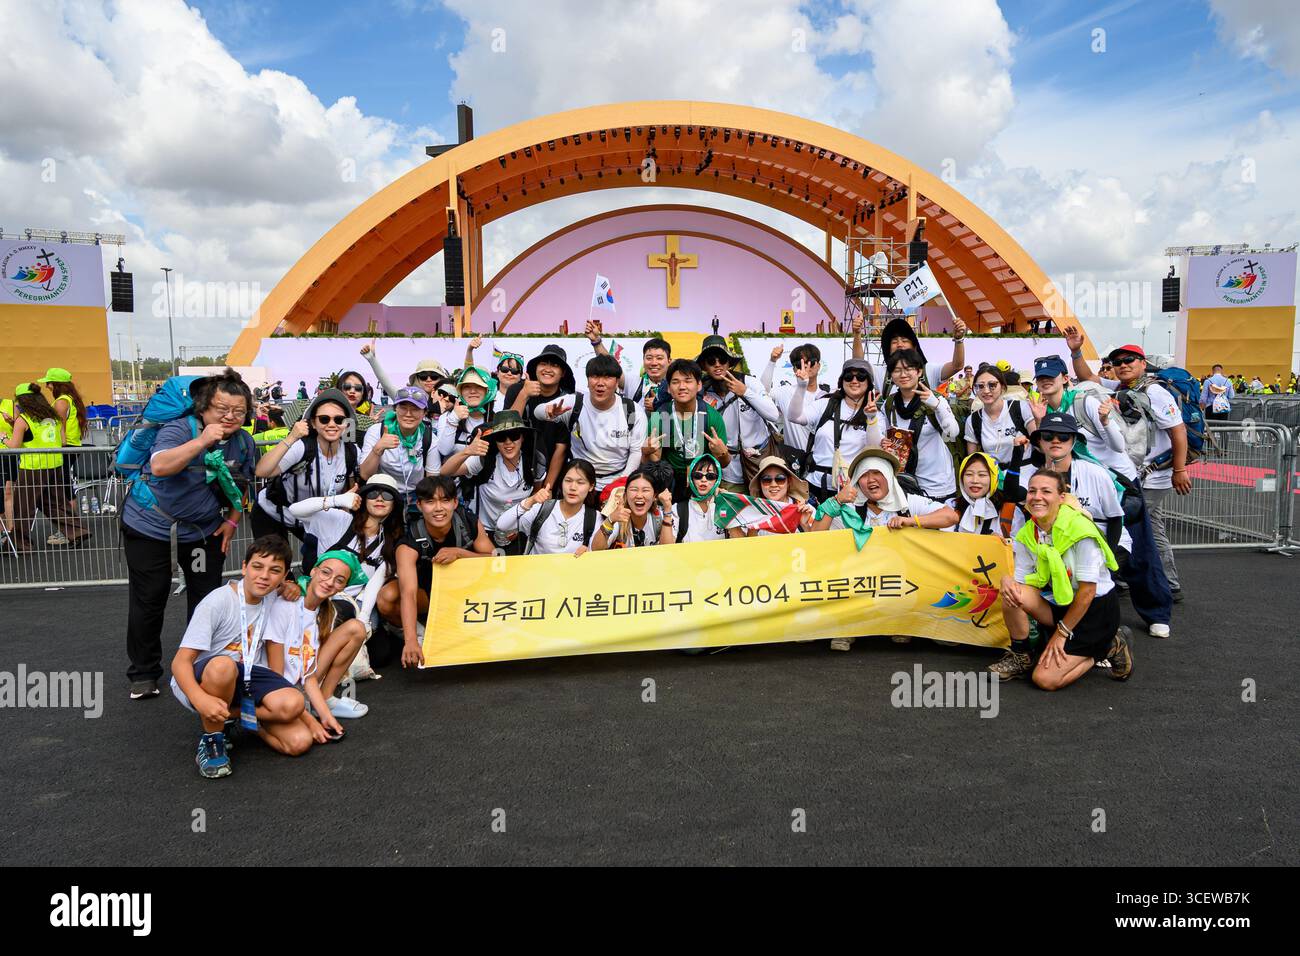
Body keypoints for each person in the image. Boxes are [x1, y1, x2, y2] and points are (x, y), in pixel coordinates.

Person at [122, 370, 258, 701]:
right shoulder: (179, 428)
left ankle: (200, 667)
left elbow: (242, 485)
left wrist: (233, 522)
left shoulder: (243, 443)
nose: (229, 417)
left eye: (238, 411)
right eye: (221, 409)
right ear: (202, 409)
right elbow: (159, 466)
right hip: (149, 526)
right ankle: (144, 672)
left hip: (203, 532)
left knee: (205, 600)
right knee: (150, 597)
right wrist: (201, 441)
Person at [1064, 334, 1191, 602]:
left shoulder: (1155, 391)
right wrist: (1076, 352)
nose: (1122, 365)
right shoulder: (1122, 387)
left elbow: (1178, 430)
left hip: (1155, 474)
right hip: (1136, 473)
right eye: (1117, 362)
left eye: (1128, 360)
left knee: (1140, 527)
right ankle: (1151, 579)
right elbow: (1089, 377)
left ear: (1143, 362)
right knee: (1142, 526)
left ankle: (1155, 581)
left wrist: (1179, 469)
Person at [1024, 413, 1173, 639]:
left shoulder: (1094, 473)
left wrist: (1108, 556)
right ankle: (1064, 636)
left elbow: (1115, 518)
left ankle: (1109, 640)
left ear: (1074, 441)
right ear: (1039, 442)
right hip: (1062, 545)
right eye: (1048, 435)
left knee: (1093, 584)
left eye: (1063, 436)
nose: (1055, 440)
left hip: (1105, 538)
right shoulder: (1033, 477)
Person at [169, 536, 306, 777]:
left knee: (298, 733)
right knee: (223, 666)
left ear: (284, 577)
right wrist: (199, 699)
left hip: (248, 678)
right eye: (257, 567)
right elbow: (180, 662)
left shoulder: (273, 595)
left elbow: (293, 587)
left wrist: (291, 587)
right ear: (244, 567)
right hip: (209, 676)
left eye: (275, 571)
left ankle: (241, 719)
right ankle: (212, 740)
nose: (264, 576)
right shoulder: (217, 602)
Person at [993, 470, 1134, 688]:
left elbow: (1087, 592)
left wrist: (1061, 634)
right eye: (1032, 491)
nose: (1037, 496)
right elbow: (1021, 583)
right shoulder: (1028, 532)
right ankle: (1021, 655)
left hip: (1094, 610)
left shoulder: (1080, 530)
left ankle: (1108, 646)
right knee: (1013, 593)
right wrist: (1006, 580)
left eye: (1046, 491)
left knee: (1044, 680)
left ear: (1061, 498)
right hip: (1060, 601)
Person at [812, 448, 957, 650]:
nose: (871, 480)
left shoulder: (908, 502)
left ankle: (903, 623)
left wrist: (911, 521)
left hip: (901, 579)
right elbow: (814, 537)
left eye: (877, 473)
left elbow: (950, 516)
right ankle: (846, 627)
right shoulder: (850, 507)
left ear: (888, 475)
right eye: (864, 475)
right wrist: (835, 502)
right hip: (860, 578)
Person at [377, 476, 493, 669]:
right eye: (430, 502)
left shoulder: (468, 522)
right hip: (430, 597)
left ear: (455, 502)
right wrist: (411, 640)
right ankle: (421, 634)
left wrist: (460, 553)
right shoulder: (409, 541)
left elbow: (496, 561)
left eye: (445, 500)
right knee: (387, 597)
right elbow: (409, 594)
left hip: (467, 593)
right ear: (420, 505)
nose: (438, 508)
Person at [252, 387, 359, 566]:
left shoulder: (351, 451)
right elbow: (262, 471)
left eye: (338, 419)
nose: (331, 424)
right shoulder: (302, 447)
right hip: (273, 511)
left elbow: (355, 482)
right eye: (324, 419)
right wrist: (291, 438)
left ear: (346, 424)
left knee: (324, 562)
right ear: (313, 423)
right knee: (274, 565)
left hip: (311, 515)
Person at [535, 354, 647, 492]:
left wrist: (620, 483)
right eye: (595, 376)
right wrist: (548, 412)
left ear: (617, 382)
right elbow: (537, 412)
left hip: (618, 481)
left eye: (607, 377)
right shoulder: (575, 403)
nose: (600, 383)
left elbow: (636, 453)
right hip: (579, 481)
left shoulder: (631, 411)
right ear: (587, 381)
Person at [441, 409, 547, 553]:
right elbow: (445, 472)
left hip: (518, 532)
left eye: (514, 436)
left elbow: (536, 494)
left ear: (522, 437)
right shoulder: (485, 460)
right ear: (495, 441)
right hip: (486, 532)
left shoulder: (534, 461)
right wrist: (467, 452)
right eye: (502, 437)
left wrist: (520, 527)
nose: (508, 442)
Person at [285, 551, 372, 721]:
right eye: (326, 572)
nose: (330, 582)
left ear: (344, 587)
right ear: (313, 571)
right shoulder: (288, 595)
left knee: (357, 628)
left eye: (339, 580)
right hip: (280, 680)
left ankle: (325, 698)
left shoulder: (329, 611)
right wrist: (284, 585)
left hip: (306, 676)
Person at [5, 383, 89, 551]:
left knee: (22, 507)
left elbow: (14, 445)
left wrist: (2, 439)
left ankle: (20, 544)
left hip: (32, 468)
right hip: (55, 465)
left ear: (22, 402)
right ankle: (77, 532)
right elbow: (63, 441)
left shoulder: (24, 419)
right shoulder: (53, 417)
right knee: (56, 503)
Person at [786, 357, 882, 499]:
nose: (854, 381)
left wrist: (871, 418)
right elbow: (794, 417)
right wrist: (801, 387)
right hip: (815, 485)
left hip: (852, 490)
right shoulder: (825, 404)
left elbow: (874, 447)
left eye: (861, 376)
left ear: (868, 382)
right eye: (849, 376)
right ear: (842, 381)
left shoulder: (876, 415)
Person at [695, 335, 781, 491]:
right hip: (728, 469)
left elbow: (773, 415)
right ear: (704, 366)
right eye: (711, 361)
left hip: (760, 464)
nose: (717, 365)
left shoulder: (749, 382)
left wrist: (745, 392)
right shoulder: (701, 392)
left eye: (722, 359)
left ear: (729, 363)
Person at [1028, 354, 1133, 480]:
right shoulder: (1041, 410)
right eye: (1040, 377)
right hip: (1085, 479)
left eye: (1050, 376)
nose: (1045, 380)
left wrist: (1105, 422)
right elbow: (1047, 452)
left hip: (1118, 477)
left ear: (1065, 378)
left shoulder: (1084, 402)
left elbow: (1119, 447)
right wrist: (1039, 420)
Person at [643, 358, 731, 502]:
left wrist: (724, 453)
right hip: (670, 483)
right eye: (676, 382)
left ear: (699, 385)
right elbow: (653, 463)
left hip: (702, 480)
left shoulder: (710, 416)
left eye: (688, 381)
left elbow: (724, 463)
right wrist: (645, 452)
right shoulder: (662, 416)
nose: (682, 386)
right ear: (669, 389)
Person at [880, 349, 960, 500]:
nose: (903, 375)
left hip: (936, 484)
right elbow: (883, 435)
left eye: (908, 369)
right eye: (897, 370)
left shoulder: (935, 399)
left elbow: (952, 433)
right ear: (891, 375)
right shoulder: (889, 404)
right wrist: (883, 440)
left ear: (919, 372)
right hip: (903, 482)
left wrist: (936, 405)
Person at [360, 386, 439, 515]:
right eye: (403, 408)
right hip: (382, 494)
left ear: (424, 413)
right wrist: (378, 449)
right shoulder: (376, 431)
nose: (408, 414)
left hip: (415, 496)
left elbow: (432, 480)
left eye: (415, 409)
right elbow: (365, 474)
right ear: (395, 409)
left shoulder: (429, 438)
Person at [496, 458, 600, 555]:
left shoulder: (595, 518)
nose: (573, 487)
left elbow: (598, 550)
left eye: (580, 482)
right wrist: (531, 500)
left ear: (591, 486)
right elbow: (502, 525)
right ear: (561, 482)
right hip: (537, 573)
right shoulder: (542, 509)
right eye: (568, 481)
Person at [506, 344, 575, 488]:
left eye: (555, 365)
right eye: (543, 363)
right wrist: (524, 395)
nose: (548, 369)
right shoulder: (516, 389)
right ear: (535, 368)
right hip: (515, 469)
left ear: (563, 373)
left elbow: (561, 448)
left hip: (552, 473)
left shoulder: (567, 399)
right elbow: (506, 428)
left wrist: (546, 488)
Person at [761, 342, 830, 474]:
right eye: (799, 364)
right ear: (794, 369)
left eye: (810, 361)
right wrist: (772, 361)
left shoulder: (828, 396)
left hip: (821, 465)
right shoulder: (785, 392)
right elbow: (762, 392)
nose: (805, 367)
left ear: (819, 365)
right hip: (793, 462)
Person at [871, 316, 967, 395]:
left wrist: (959, 340)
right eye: (894, 342)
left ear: (914, 347)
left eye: (904, 341)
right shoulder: (882, 373)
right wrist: (858, 334)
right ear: (888, 349)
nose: (899, 344)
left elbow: (956, 366)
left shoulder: (928, 370)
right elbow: (859, 365)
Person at [592, 470, 675, 549]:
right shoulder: (618, 519)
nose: (639, 495)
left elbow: (668, 550)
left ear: (654, 496)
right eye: (634, 490)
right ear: (625, 495)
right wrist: (610, 520)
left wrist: (667, 510)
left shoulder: (660, 517)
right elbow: (596, 549)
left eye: (645, 490)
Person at [673, 453, 745, 543]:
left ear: (717, 480)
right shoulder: (677, 509)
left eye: (710, 476)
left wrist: (728, 507)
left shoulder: (726, 506)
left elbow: (741, 544)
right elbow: (666, 548)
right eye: (698, 476)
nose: (703, 480)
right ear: (691, 479)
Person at [741, 455, 815, 536]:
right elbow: (747, 546)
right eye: (766, 479)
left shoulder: (806, 510)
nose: (773, 484)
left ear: (789, 482)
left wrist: (804, 525)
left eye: (780, 479)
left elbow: (816, 545)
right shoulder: (751, 512)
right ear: (760, 484)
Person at [438, 366, 498, 461]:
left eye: (479, 386)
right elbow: (444, 451)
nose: (473, 391)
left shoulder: (497, 420)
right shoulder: (447, 417)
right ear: (460, 391)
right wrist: (453, 419)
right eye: (467, 387)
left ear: (488, 391)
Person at [951, 453, 1016, 537]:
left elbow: (1021, 548)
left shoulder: (1010, 511)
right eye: (969, 474)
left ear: (993, 478)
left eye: (982, 475)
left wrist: (1002, 544)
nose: (975, 480)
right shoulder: (951, 506)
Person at [600, 335, 671, 412]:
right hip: (634, 423)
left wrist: (659, 403)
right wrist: (596, 342)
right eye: (649, 358)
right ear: (643, 360)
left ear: (669, 361)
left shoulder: (676, 385)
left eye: (659, 358)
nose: (654, 363)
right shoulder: (633, 382)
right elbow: (610, 366)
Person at [464, 336, 521, 406]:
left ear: (521, 376)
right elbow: (468, 376)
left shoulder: (525, 398)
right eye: (504, 369)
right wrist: (470, 350)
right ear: (497, 373)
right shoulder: (487, 396)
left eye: (514, 371)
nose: (509, 373)